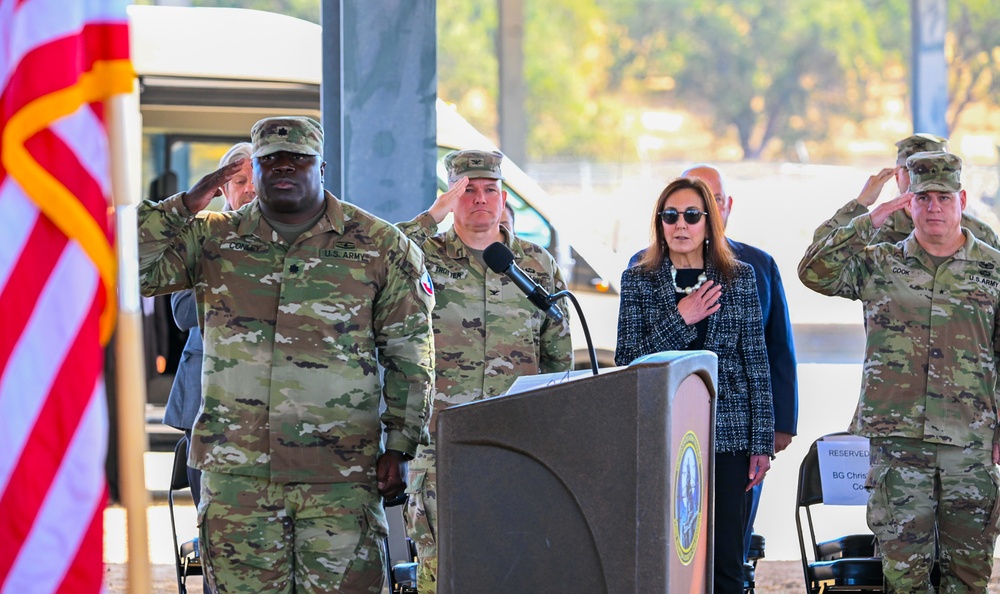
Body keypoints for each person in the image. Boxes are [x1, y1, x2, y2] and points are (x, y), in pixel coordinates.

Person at [137, 116, 435, 593]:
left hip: (340, 476)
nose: (284, 168)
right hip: (238, 477)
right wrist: (185, 205)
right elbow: (123, 265)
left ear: (322, 168)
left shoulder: (379, 245)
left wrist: (401, 446)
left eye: (299, 159)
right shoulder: (213, 238)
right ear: (252, 171)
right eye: (270, 159)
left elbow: (410, 353)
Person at [798, 151, 1000, 592]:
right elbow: (814, 271)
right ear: (908, 203)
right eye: (922, 198)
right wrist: (867, 216)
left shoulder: (993, 267)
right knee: (903, 577)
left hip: (970, 446)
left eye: (943, 198)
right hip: (898, 445)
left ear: (961, 199)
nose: (933, 208)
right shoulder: (879, 263)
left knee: (968, 577)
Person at [396, 149, 573, 593]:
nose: (480, 199)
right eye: (467, 190)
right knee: (441, 568)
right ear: (451, 197)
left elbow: (557, 355)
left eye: (490, 190)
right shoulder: (423, 257)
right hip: (440, 443)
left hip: (516, 441)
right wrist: (429, 216)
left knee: (515, 560)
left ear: (503, 196)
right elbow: (376, 256)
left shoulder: (534, 264)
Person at [630, 164, 798, 561]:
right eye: (673, 214)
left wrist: (775, 429)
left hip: (733, 435)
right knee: (668, 553)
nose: (683, 222)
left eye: (697, 210)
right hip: (665, 432)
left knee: (727, 554)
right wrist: (681, 317)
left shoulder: (751, 268)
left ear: (720, 208)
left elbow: (769, 354)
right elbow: (631, 359)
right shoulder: (642, 270)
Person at [163, 142, 257, 509]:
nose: (249, 189)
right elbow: (184, 313)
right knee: (211, 517)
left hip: (267, 400)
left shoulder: (292, 240)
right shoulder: (202, 234)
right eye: (240, 181)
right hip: (204, 397)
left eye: (256, 181)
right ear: (223, 190)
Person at [812, 133, 1000, 247]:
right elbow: (820, 252)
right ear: (896, 176)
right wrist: (861, 203)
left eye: (933, 171)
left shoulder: (976, 232)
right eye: (912, 171)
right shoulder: (877, 227)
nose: (922, 180)